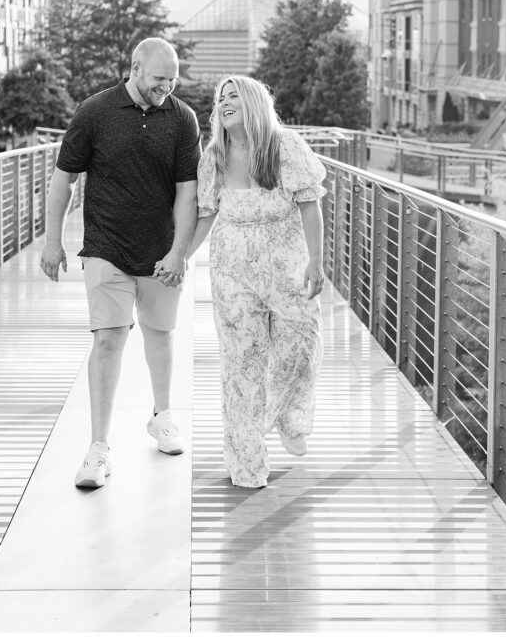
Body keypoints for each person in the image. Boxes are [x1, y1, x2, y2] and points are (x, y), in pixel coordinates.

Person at [40, 37, 200, 488]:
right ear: (134, 68)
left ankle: (162, 416)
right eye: (158, 79)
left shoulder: (183, 119)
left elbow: (188, 191)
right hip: (105, 246)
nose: (166, 88)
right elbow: (63, 182)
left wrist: (178, 253)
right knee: (108, 339)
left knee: (160, 335)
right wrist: (53, 242)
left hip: (161, 251)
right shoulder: (94, 112)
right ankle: (98, 448)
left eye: (171, 80)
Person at [184, 75, 326, 488]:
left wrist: (316, 263)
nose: (224, 103)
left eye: (233, 96)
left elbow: (309, 205)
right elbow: (206, 213)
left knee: (301, 344)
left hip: (287, 264)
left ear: (253, 103)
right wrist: (181, 260)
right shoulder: (214, 155)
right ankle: (246, 464)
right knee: (241, 365)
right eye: (220, 99)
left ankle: (287, 414)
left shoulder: (285, 146)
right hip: (233, 269)